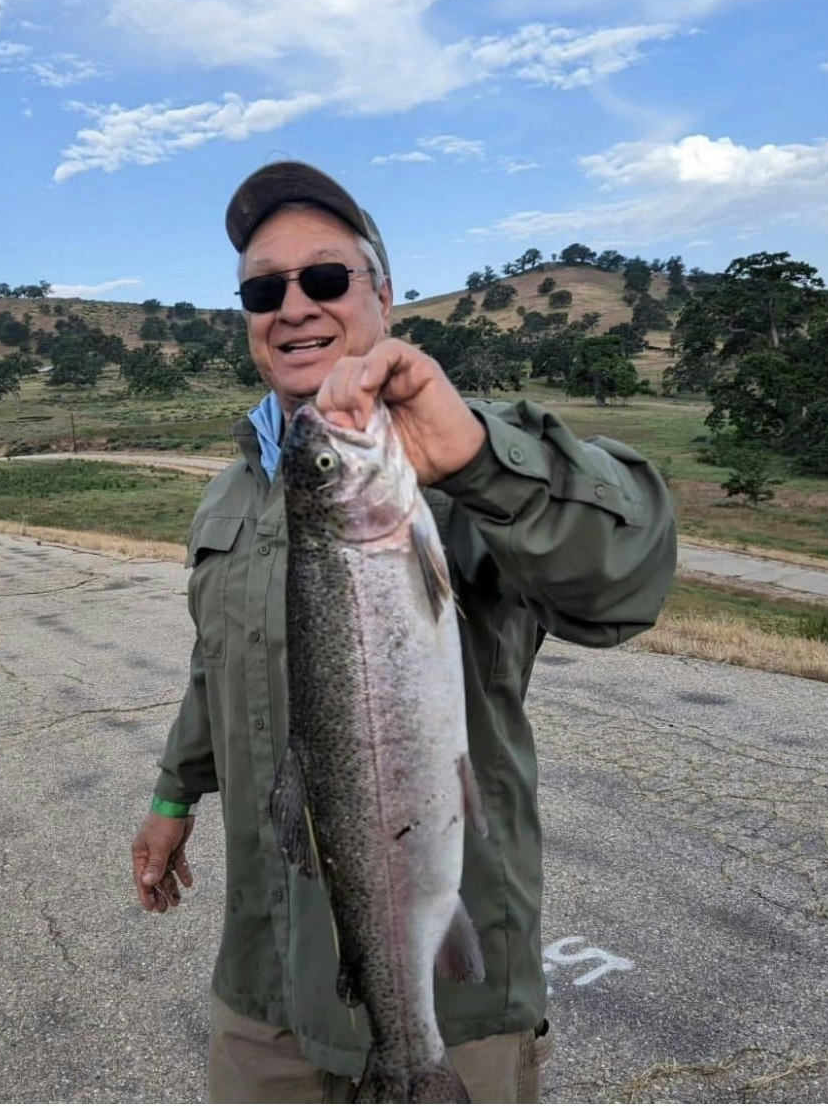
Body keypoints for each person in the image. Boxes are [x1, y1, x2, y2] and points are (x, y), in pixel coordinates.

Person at [131, 161, 677, 1102]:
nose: (294, 305)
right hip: (263, 988)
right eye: (265, 289)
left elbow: (626, 584)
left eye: (326, 279)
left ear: (383, 296)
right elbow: (214, 663)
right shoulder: (232, 487)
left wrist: (472, 460)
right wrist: (174, 797)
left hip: (451, 1005)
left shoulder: (466, 450)